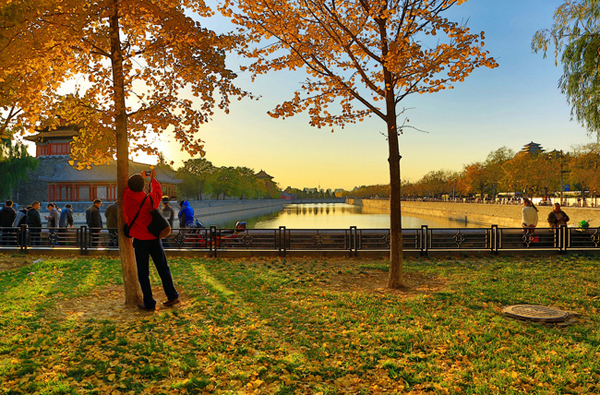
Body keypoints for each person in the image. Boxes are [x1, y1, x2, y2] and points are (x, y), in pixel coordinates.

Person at [124, 170, 179, 311]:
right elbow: (158, 192)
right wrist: (153, 179)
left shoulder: (127, 197)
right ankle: (172, 295)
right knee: (163, 268)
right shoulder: (150, 200)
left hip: (140, 241)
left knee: (143, 273)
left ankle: (149, 302)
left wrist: (140, 177)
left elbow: (127, 188)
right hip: (154, 239)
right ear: (143, 187)